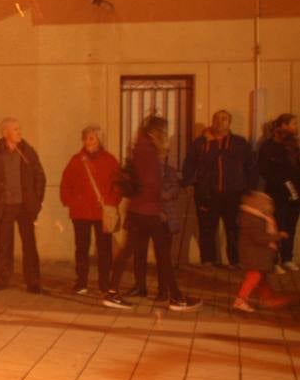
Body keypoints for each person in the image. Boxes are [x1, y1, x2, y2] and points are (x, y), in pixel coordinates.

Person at [104, 115, 200, 311]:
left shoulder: (141, 147)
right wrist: (159, 206)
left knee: (131, 251)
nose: (165, 135)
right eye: (164, 131)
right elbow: (150, 184)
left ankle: (112, 292)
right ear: (156, 132)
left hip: (139, 210)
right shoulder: (148, 151)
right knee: (162, 255)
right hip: (148, 211)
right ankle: (176, 298)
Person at [0, 118, 46, 293]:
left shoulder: (27, 152)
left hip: (25, 206)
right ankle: (2, 280)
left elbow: (40, 177)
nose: (19, 132)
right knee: (3, 245)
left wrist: (36, 202)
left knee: (29, 245)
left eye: (19, 129)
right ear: (5, 133)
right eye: (15, 129)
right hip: (4, 206)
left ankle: (33, 282)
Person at [182, 109, 254, 267]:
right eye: (216, 119)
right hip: (207, 193)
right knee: (207, 228)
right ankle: (208, 260)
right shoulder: (200, 143)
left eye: (224, 119)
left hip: (233, 193)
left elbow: (250, 166)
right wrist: (188, 183)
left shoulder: (239, 143)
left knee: (233, 229)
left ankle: (235, 261)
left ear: (230, 123)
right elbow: (189, 164)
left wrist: (249, 189)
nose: (220, 122)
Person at [58, 125, 121, 295]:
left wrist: (112, 201)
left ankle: (104, 284)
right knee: (81, 248)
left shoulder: (110, 160)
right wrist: (70, 201)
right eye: (85, 138)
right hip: (81, 212)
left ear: (99, 140)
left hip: (102, 212)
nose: (88, 142)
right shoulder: (76, 160)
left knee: (104, 249)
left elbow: (118, 184)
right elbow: (66, 182)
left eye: (91, 138)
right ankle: (81, 282)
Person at [233, 191, 290, 312]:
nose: (271, 207)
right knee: (254, 276)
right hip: (254, 255)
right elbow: (260, 238)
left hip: (256, 254)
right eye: (268, 204)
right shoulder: (253, 219)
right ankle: (240, 300)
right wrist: (278, 236)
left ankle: (267, 298)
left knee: (261, 277)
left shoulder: (258, 217)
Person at [257, 113, 300, 271]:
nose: (296, 127)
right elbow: (265, 171)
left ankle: (287, 259)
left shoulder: (294, 146)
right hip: (277, 195)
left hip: (295, 195)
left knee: (290, 227)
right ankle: (274, 261)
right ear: (283, 125)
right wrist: (285, 185)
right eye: (294, 124)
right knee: (276, 227)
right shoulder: (268, 146)